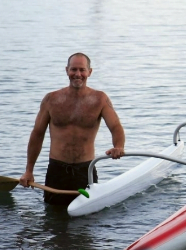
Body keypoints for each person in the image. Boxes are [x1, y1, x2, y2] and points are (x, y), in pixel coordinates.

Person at [19, 52, 125, 205]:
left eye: (82, 70)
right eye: (73, 69)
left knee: (86, 223)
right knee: (53, 220)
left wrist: (119, 146)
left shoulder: (100, 99)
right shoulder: (51, 99)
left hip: (85, 171)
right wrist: (29, 170)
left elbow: (116, 127)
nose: (78, 74)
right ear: (66, 70)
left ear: (90, 72)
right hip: (57, 171)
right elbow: (37, 134)